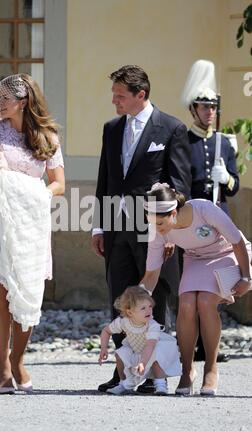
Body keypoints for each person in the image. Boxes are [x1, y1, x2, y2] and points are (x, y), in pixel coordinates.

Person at [0, 73, 65, 394]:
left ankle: (18, 358)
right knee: (1, 295)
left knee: (28, 292)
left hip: (30, 225)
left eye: (4, 98)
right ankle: (4, 367)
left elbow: (58, 184)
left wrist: (34, 193)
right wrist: (6, 183)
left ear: (23, 102)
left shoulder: (48, 136)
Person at [91, 65, 192, 393]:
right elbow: (105, 178)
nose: (114, 101)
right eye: (114, 95)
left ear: (141, 95)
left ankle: (152, 373)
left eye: (120, 96)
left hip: (152, 231)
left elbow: (179, 184)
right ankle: (123, 374)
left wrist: (169, 232)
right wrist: (99, 226)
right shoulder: (110, 129)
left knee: (153, 299)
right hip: (117, 230)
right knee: (121, 300)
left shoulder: (172, 128)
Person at [141, 183, 252, 396]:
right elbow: (151, 274)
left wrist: (246, 277)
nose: (157, 228)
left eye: (161, 222)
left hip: (227, 253)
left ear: (173, 212)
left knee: (205, 301)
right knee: (187, 303)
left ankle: (211, 368)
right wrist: (135, 298)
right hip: (195, 259)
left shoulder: (203, 209)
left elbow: (237, 241)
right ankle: (187, 370)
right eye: (152, 222)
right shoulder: (157, 230)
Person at [181, 60, 240, 362]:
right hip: (192, 224)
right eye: (203, 107)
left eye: (212, 107)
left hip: (219, 221)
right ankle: (189, 345)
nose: (209, 112)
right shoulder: (183, 141)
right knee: (191, 288)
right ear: (193, 110)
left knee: (216, 286)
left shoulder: (224, 144)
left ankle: (209, 347)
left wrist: (226, 178)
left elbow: (235, 185)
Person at [99, 286, 181, 395]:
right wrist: (103, 348)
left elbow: (150, 346)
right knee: (120, 354)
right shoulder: (123, 322)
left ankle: (160, 384)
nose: (148, 311)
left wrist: (142, 363)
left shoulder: (152, 325)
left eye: (150, 306)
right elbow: (106, 331)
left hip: (151, 350)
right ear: (130, 313)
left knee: (157, 356)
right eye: (143, 308)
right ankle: (123, 383)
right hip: (136, 350)